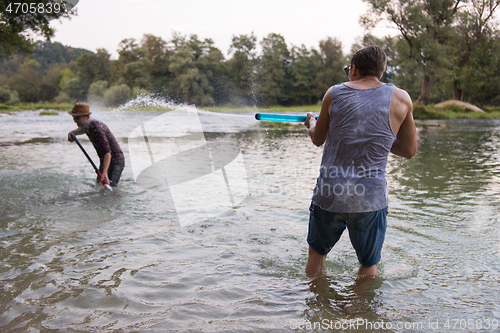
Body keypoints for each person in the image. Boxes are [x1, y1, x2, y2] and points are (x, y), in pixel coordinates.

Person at [304, 45, 417, 277]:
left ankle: (316, 308)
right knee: (368, 265)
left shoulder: (333, 93)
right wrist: (381, 139)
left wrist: (311, 124)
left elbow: (318, 139)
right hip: (370, 196)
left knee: (316, 255)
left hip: (330, 190)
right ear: (381, 71)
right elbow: (408, 150)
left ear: (354, 69)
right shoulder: (401, 98)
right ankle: (359, 309)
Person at [68, 102, 125, 187]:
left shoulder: (97, 129)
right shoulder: (86, 125)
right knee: (99, 186)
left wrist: (104, 172)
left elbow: (107, 153)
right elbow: (82, 129)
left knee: (110, 187)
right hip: (104, 160)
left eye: (77, 117)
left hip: (115, 160)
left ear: (87, 117)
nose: (75, 120)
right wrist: (72, 133)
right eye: (74, 117)